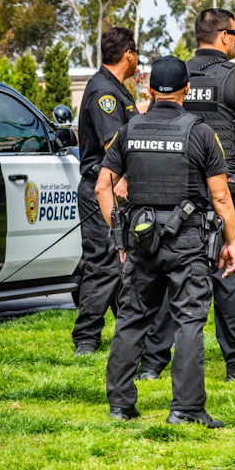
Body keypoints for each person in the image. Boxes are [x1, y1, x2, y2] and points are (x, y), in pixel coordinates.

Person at [136, 8, 235, 383]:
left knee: (173, 278)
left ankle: (151, 364)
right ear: (224, 36)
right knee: (232, 276)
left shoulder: (176, 77)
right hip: (227, 192)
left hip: (180, 199)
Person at [97, 55, 235, 428]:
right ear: (186, 89)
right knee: (188, 321)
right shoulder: (200, 132)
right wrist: (231, 241)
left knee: (131, 318)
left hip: (141, 240)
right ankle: (186, 409)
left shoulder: (129, 130)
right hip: (187, 241)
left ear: (149, 89)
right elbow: (221, 197)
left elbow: (102, 187)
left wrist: (120, 236)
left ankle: (120, 405)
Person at [72, 27, 140, 356]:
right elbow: (114, 146)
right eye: (137, 54)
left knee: (121, 263)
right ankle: (86, 339)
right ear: (129, 55)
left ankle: (130, 332)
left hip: (115, 188)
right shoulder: (104, 92)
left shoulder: (115, 88)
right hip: (103, 188)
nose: (138, 60)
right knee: (104, 262)